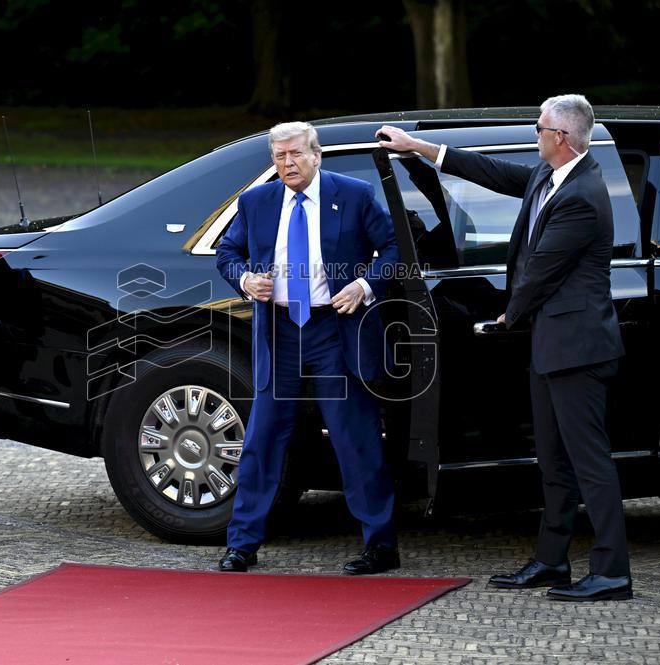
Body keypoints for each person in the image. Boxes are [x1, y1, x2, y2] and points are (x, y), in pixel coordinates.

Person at [378, 94, 631, 601]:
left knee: (589, 463)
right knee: (553, 462)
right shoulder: (549, 176)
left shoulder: (583, 194)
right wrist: (418, 148)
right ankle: (551, 562)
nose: (535, 134)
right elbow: (490, 172)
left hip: (578, 350)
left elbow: (542, 270)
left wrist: (505, 315)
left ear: (561, 137)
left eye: (539, 128)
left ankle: (612, 572)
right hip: (551, 347)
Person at [216, 121, 401, 574]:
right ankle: (242, 544)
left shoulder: (353, 195)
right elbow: (227, 252)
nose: (287, 164)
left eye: (295, 154)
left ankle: (380, 545)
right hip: (279, 332)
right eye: (279, 157)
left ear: (316, 155)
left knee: (353, 437)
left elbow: (394, 248)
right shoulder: (257, 201)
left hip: (333, 329)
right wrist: (244, 279)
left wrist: (364, 286)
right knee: (261, 439)